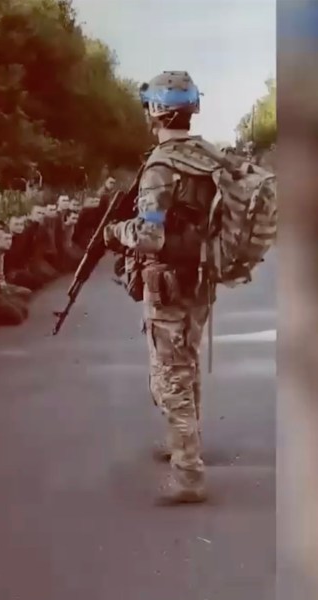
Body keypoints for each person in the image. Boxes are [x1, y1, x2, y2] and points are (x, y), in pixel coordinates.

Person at [103, 70, 216, 504]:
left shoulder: (161, 167)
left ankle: (188, 473)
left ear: (154, 110)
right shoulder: (208, 157)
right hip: (201, 278)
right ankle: (184, 442)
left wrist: (117, 232)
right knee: (186, 360)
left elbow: (150, 236)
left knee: (170, 373)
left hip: (167, 281)